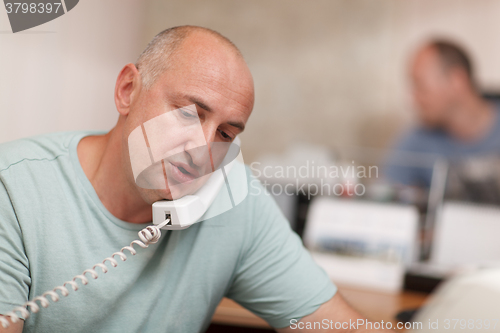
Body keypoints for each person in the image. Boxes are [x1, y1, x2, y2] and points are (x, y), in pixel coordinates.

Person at [0, 26, 390, 332]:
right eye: (189, 112)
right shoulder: (14, 191)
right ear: (127, 90)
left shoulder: (235, 199)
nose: (202, 149)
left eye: (225, 134)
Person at [385, 40, 500, 188]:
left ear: (457, 80)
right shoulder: (417, 140)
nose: (413, 99)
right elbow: (384, 194)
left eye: (420, 86)